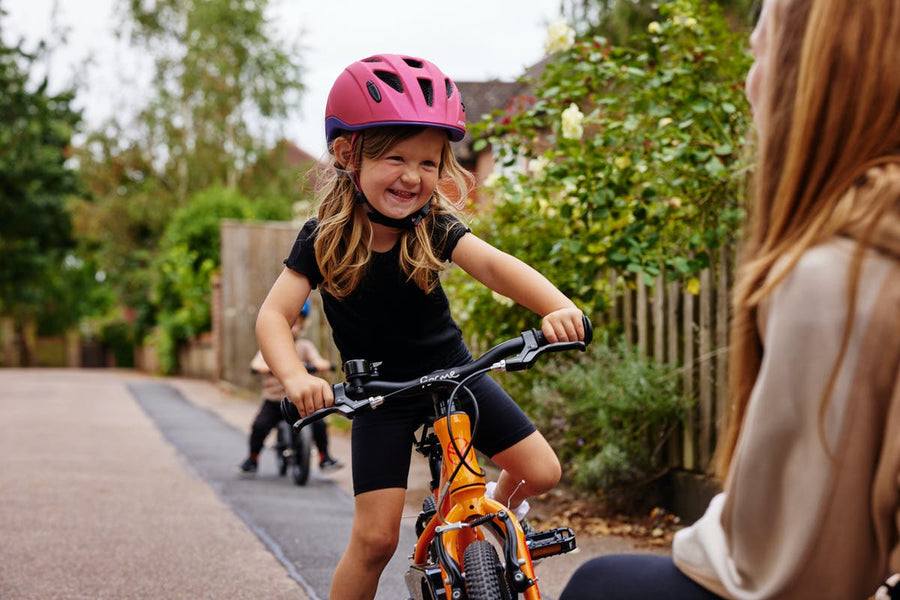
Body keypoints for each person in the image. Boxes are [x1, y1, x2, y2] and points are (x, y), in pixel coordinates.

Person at [560, 0, 900, 599]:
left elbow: (792, 572)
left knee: (602, 585)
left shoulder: (842, 280)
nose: (748, 83)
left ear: (813, 77)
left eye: (758, 53)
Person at [255, 53, 586, 600]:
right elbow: (274, 315)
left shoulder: (432, 226)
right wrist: (295, 379)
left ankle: (488, 529)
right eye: (396, 158)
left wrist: (555, 306)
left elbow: (495, 267)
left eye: (429, 163)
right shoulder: (323, 239)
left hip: (455, 376)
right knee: (375, 540)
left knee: (541, 469)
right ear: (347, 154)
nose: (413, 176)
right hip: (379, 395)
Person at [238, 299, 343, 475]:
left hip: (301, 401)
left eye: (296, 322)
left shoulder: (305, 346)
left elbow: (318, 360)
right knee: (259, 426)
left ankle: (324, 457)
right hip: (275, 402)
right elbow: (256, 363)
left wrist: (321, 364)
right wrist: (266, 367)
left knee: (319, 423)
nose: (292, 326)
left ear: (303, 325)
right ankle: (252, 458)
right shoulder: (270, 347)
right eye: (288, 322)